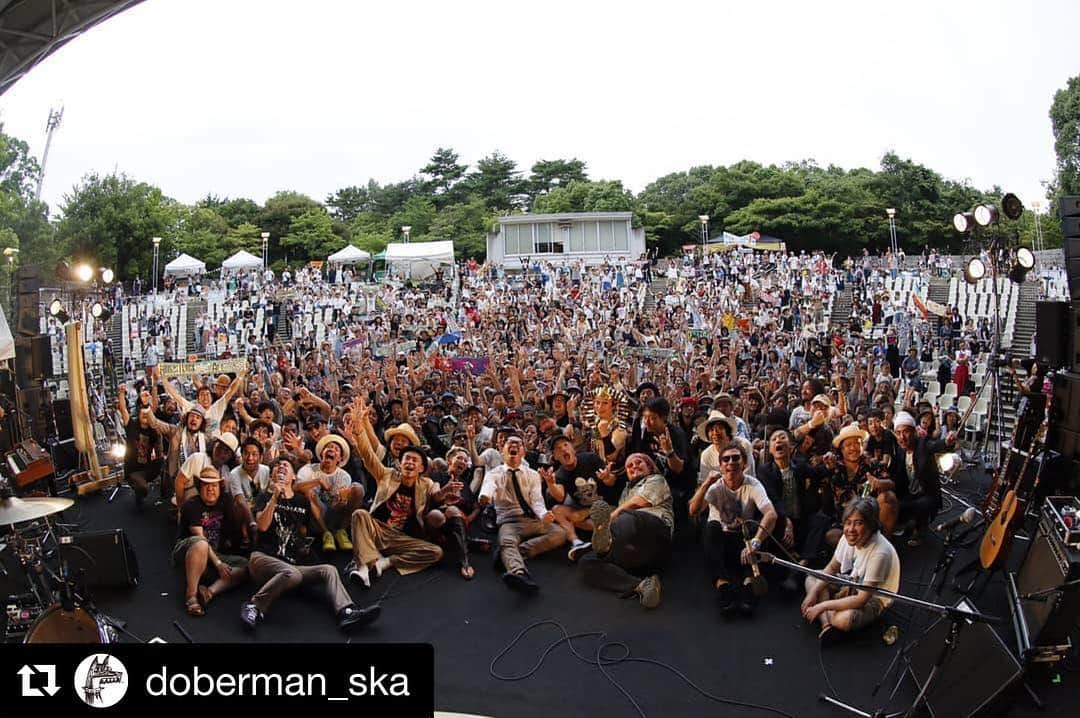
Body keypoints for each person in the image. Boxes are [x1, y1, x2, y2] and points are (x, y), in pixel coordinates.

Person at [241, 459, 380, 632]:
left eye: (286, 465)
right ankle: (254, 606)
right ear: (272, 476)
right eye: (277, 466)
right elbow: (261, 526)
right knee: (291, 574)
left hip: (291, 566)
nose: (281, 467)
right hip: (263, 559)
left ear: (293, 477)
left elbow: (304, 532)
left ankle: (346, 612)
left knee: (328, 569)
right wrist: (275, 498)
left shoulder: (301, 502)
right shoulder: (265, 496)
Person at [346, 396, 445, 585]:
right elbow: (368, 455)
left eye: (414, 460)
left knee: (435, 552)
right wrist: (359, 427)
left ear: (422, 468)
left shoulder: (427, 484)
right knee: (359, 514)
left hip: (401, 538)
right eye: (406, 459)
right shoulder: (387, 474)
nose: (409, 462)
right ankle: (364, 569)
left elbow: (437, 495)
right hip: (377, 529)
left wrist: (445, 492)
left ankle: (384, 563)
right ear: (400, 462)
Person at [690, 442, 777, 616]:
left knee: (755, 525)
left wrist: (756, 542)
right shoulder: (715, 487)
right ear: (721, 465)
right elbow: (693, 510)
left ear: (744, 464)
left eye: (736, 458)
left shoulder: (753, 484)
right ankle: (724, 587)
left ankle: (748, 586)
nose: (731, 462)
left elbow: (771, 514)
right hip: (721, 542)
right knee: (711, 527)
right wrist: (706, 483)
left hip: (744, 542)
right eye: (726, 459)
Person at [577, 453, 671, 609]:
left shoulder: (656, 479)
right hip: (640, 557)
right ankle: (641, 585)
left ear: (649, 466)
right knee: (586, 563)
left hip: (656, 534)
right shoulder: (626, 491)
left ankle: (600, 546)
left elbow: (637, 502)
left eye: (638, 462)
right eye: (629, 466)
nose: (634, 466)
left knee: (626, 516)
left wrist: (612, 516)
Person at [800, 497, 900, 643]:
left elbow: (861, 600)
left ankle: (826, 615)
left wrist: (822, 605)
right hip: (854, 582)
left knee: (845, 619)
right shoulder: (848, 536)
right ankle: (827, 624)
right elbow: (833, 567)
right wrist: (813, 593)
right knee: (812, 578)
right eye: (848, 522)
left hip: (875, 598)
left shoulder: (880, 552)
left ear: (871, 525)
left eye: (858, 523)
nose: (851, 529)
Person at [480, 433, 566, 594]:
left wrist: (543, 515)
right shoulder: (493, 474)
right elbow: (488, 489)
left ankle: (514, 553)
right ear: (502, 451)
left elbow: (537, 501)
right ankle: (519, 573)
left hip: (533, 520)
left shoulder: (533, 475)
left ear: (523, 453)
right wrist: (485, 497)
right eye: (509, 443)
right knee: (507, 540)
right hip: (509, 522)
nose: (513, 445)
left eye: (518, 444)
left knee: (560, 534)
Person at [171, 467, 248, 617]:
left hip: (214, 554)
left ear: (220, 487)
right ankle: (191, 595)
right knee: (201, 543)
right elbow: (201, 538)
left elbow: (233, 528)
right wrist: (219, 564)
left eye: (214, 485)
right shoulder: (192, 505)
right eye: (206, 485)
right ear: (200, 487)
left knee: (245, 565)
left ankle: (209, 592)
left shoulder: (225, 501)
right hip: (188, 550)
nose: (210, 489)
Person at [541, 434, 616, 561]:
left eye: (566, 445)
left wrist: (607, 478)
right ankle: (577, 543)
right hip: (585, 515)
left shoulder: (590, 458)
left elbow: (612, 481)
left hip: (607, 507)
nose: (564, 449)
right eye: (559, 449)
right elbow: (559, 497)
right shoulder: (559, 474)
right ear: (555, 457)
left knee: (599, 517)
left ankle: (603, 535)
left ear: (573, 449)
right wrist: (550, 483)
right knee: (557, 510)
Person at [890, 411, 951, 546]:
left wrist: (947, 442)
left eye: (905, 432)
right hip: (909, 494)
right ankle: (909, 522)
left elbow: (936, 445)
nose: (902, 437)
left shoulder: (924, 444)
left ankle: (921, 529)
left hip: (927, 495)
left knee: (921, 505)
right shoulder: (900, 451)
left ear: (914, 432)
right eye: (898, 433)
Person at [296, 433, 365, 552]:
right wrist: (317, 481)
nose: (332, 450)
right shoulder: (308, 469)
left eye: (336, 449)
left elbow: (336, 505)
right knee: (309, 491)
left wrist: (339, 498)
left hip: (336, 514)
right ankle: (326, 534)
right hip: (315, 516)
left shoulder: (344, 476)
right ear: (322, 453)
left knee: (358, 488)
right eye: (329, 447)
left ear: (340, 459)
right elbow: (295, 488)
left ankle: (341, 532)